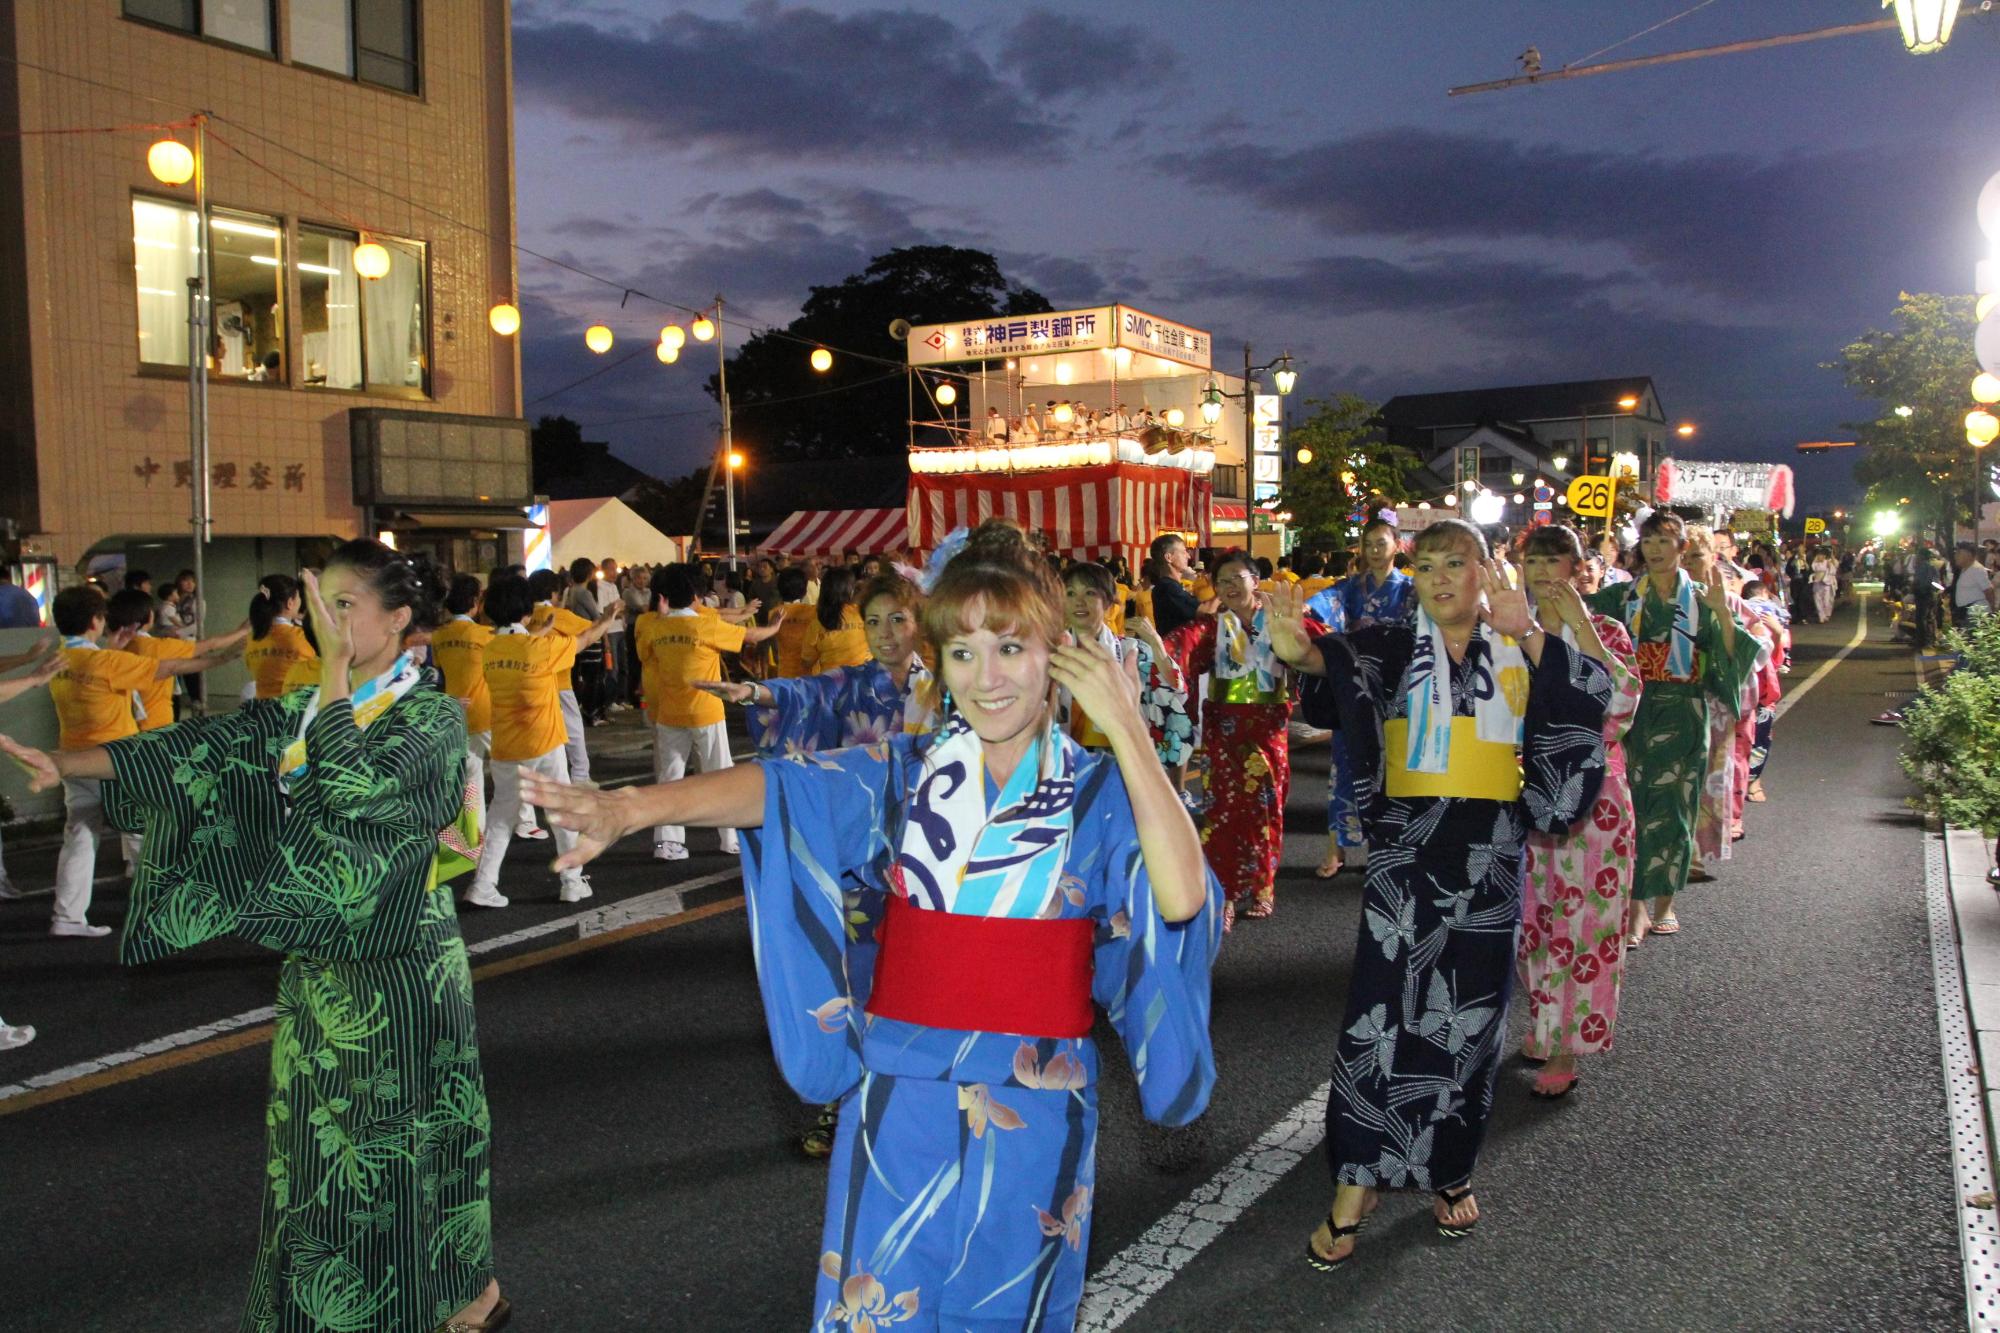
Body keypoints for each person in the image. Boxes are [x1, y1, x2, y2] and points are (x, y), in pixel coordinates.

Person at [519, 519, 1221, 1330]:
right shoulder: (909, 772)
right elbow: (784, 789)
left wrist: (1128, 726)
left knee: (1007, 1311)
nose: (987, 677)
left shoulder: (1098, 790)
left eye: (1011, 649)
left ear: (1056, 652)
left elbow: (1179, 898)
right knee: (875, 1312)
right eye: (963, 652)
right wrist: (631, 804)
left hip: (1036, 1095)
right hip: (898, 1089)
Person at [3, 540, 509, 1333]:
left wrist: (335, 672)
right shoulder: (301, 710)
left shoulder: (433, 720)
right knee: (316, 1155)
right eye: (321, 603)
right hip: (320, 971)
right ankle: (328, 1311)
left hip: (404, 975)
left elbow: (351, 785)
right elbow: (196, 750)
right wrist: (65, 761)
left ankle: (456, 1295)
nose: (324, 620)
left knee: (411, 1146)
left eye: (344, 605)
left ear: (401, 619)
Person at [1264, 519, 1609, 1267]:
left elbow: (1591, 701)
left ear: (1487, 570)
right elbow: (1323, 662)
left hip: (1490, 848)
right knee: (1379, 1014)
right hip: (1407, 849)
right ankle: (1356, 1181)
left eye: (1457, 562)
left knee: (1471, 1017)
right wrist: (1291, 643)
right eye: (1426, 566)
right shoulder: (1389, 643)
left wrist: (1538, 640)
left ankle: (1449, 1166)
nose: (1441, 577)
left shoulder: (1521, 643)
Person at [1586, 512, 1757, 943]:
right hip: (1632, 716)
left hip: (1683, 713)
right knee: (1634, 809)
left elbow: (1729, 660)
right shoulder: (1620, 598)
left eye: (1665, 541)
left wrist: (1722, 616)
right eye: (1648, 541)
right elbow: (1584, 633)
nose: (1656, 550)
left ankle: (1665, 903)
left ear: (1682, 548)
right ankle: (1635, 907)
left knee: (1676, 810)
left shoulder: (1701, 597)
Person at [1514, 525, 1641, 1100]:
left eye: (1554, 561)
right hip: (1524, 789)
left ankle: (1566, 1045)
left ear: (1578, 568)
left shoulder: (1608, 631)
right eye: (1533, 561)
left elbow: (1620, 706)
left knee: (1582, 924)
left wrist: (1583, 630)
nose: (1543, 572)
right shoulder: (1513, 631)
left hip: (1594, 796)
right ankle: (1545, 1021)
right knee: (1532, 921)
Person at [43, 586, 227, 937]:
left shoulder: (62, 658)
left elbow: (95, 673)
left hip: (72, 757)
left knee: (80, 835)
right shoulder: (108, 662)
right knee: (150, 830)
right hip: (115, 759)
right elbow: (168, 666)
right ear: (96, 621)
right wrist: (224, 658)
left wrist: (113, 649)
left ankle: (67, 917)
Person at [1163, 550, 1318, 924]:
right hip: (1224, 733)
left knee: (1267, 810)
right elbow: (1175, 651)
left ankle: (1263, 887)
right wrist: (1149, 647)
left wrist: (1302, 633)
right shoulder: (1212, 626)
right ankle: (1226, 893)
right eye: (1223, 581)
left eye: (1238, 578)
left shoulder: (1278, 618)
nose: (1231, 586)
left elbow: (1319, 648)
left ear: (1255, 579)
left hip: (1268, 731)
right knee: (1221, 813)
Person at [461, 574, 617, 909]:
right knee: (561, 812)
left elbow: (517, 648)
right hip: (544, 742)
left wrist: (538, 632)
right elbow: (585, 638)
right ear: (526, 612)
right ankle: (571, 882)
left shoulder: (490, 649)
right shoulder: (540, 649)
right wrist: (607, 619)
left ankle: (483, 884)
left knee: (502, 817)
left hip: (505, 746)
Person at [639, 565, 782, 861]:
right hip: (705, 710)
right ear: (695, 595)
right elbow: (750, 636)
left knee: (670, 778)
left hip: (669, 712)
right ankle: (730, 838)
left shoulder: (655, 626)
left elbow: (645, 655)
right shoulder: (703, 626)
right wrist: (775, 627)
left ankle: (667, 843)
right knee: (720, 774)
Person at [1307, 518, 1415, 879]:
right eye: (1368, 544)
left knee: (1391, 768)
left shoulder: (1410, 590)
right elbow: (1325, 603)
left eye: (1381, 543)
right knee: (1345, 764)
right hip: (1354, 686)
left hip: (1394, 689)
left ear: (1397, 546)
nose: (1373, 551)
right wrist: (1309, 610)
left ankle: (1385, 846)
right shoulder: (1350, 588)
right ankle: (1335, 845)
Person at [1059, 562, 1191, 781]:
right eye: (1070, 593)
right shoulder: (1049, 651)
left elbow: (1175, 689)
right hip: (1064, 758)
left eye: (1090, 592)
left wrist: (1157, 645)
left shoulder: (1131, 650)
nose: (1078, 601)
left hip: (1118, 760)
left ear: (1110, 603)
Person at [103, 589, 247, 735]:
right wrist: (244, 631)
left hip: (123, 726)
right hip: (156, 724)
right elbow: (211, 645)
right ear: (149, 616)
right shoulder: (159, 647)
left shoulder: (109, 649)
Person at [430, 574, 495, 845]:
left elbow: (438, 673)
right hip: (485, 710)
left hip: (454, 713)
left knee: (470, 777)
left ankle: (473, 833)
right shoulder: (485, 635)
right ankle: (519, 822)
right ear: (474, 602)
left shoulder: (439, 636)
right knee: (520, 770)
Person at [527, 568, 598, 784]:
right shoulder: (559, 616)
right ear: (553, 592)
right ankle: (580, 776)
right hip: (560, 683)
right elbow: (591, 630)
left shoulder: (526, 614)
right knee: (573, 731)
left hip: (532, 684)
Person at [244, 574, 317, 700]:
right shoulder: (301, 636)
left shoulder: (252, 638)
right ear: (290, 603)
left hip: (263, 711)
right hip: (294, 712)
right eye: (299, 597)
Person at [799, 568, 870, 674]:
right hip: (864, 680)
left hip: (831, 683)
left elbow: (807, 662)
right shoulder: (863, 613)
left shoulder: (818, 621)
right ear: (849, 590)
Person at [1146, 533, 1202, 636]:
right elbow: (1204, 611)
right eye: (1184, 551)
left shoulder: (1169, 585)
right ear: (1169, 557)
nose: (1188, 556)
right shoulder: (1168, 587)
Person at [1953, 542, 1997, 628]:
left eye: (1959, 553)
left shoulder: (1977, 570)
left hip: (1976, 614)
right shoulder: (1964, 569)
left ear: (1968, 555)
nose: (1956, 557)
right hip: (1966, 613)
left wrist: (1992, 611)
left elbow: (1988, 590)